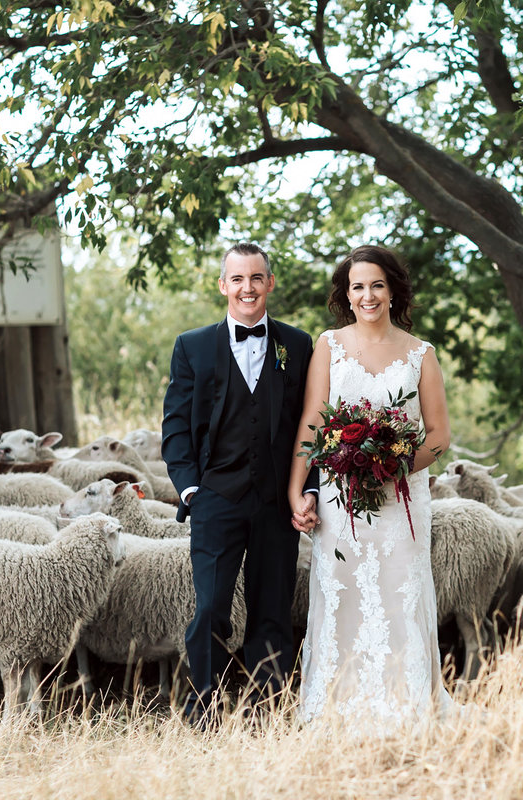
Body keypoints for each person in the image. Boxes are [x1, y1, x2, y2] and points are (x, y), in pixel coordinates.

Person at [288, 244, 455, 732]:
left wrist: (393, 468)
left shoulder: (421, 354)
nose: (367, 295)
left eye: (377, 285)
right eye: (358, 286)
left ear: (392, 290)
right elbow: (312, 423)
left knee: (401, 596)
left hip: (402, 503)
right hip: (341, 503)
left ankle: (407, 711)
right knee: (341, 595)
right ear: (347, 293)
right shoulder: (329, 345)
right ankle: (335, 711)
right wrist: (297, 490)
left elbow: (439, 438)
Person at [161, 242, 318, 726]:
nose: (246, 288)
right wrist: (190, 490)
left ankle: (267, 712)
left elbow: (310, 425)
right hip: (216, 501)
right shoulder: (193, 345)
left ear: (269, 283)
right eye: (237, 279)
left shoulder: (298, 344)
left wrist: (307, 489)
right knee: (209, 610)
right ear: (223, 285)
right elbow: (176, 426)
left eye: (256, 278)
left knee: (272, 611)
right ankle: (203, 710)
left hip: (276, 503)